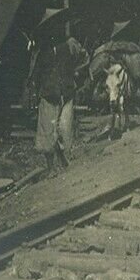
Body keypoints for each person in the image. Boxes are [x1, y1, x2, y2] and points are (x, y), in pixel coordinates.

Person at [31, 18, 84, 174]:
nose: (53, 33)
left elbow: (82, 59)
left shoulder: (68, 46)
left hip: (66, 93)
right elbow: (35, 75)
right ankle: (51, 167)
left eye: (56, 29)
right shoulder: (41, 53)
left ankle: (64, 161)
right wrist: (37, 91)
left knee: (64, 130)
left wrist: (76, 73)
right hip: (49, 94)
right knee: (47, 131)